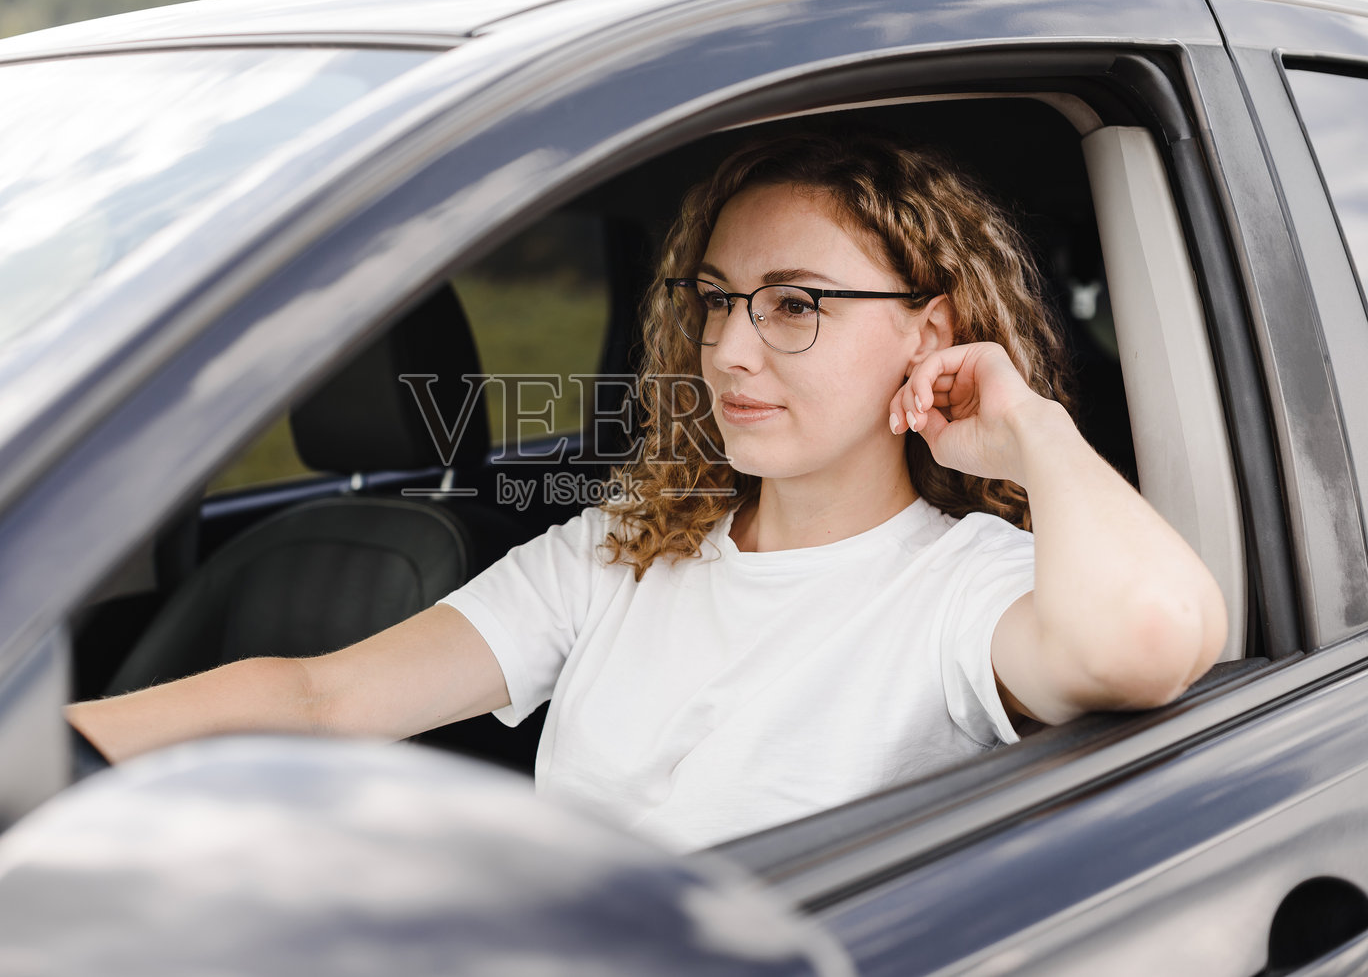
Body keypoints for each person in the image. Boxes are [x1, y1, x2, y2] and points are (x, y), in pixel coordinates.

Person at [66, 132, 1227, 852]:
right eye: (716, 300)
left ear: (931, 332)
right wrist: (28, 768)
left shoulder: (970, 589)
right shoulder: (626, 545)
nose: (728, 350)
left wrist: (1029, 428)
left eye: (794, 304)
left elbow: (1146, 641)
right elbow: (319, 697)